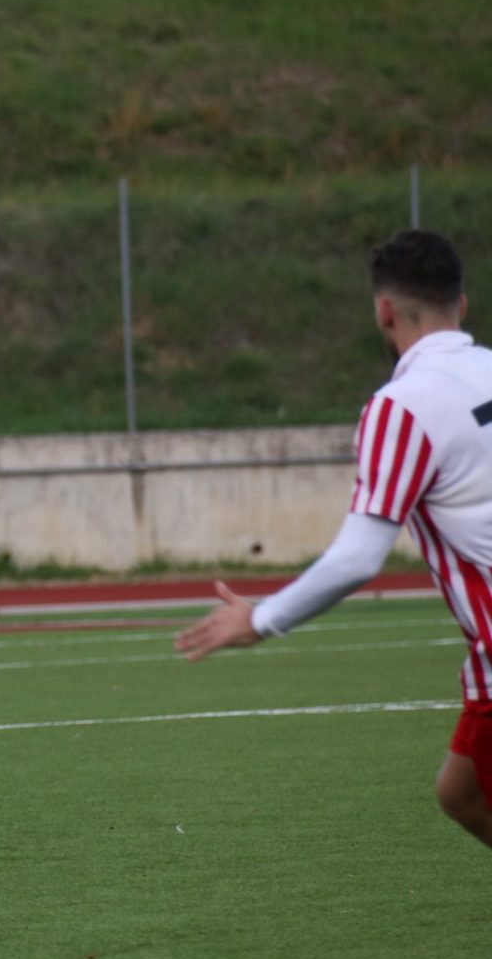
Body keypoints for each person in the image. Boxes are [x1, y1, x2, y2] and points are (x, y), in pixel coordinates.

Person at [178, 228, 492, 850]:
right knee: (462, 793)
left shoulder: (402, 407)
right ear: (461, 303)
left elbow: (358, 557)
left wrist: (261, 618)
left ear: (383, 311)